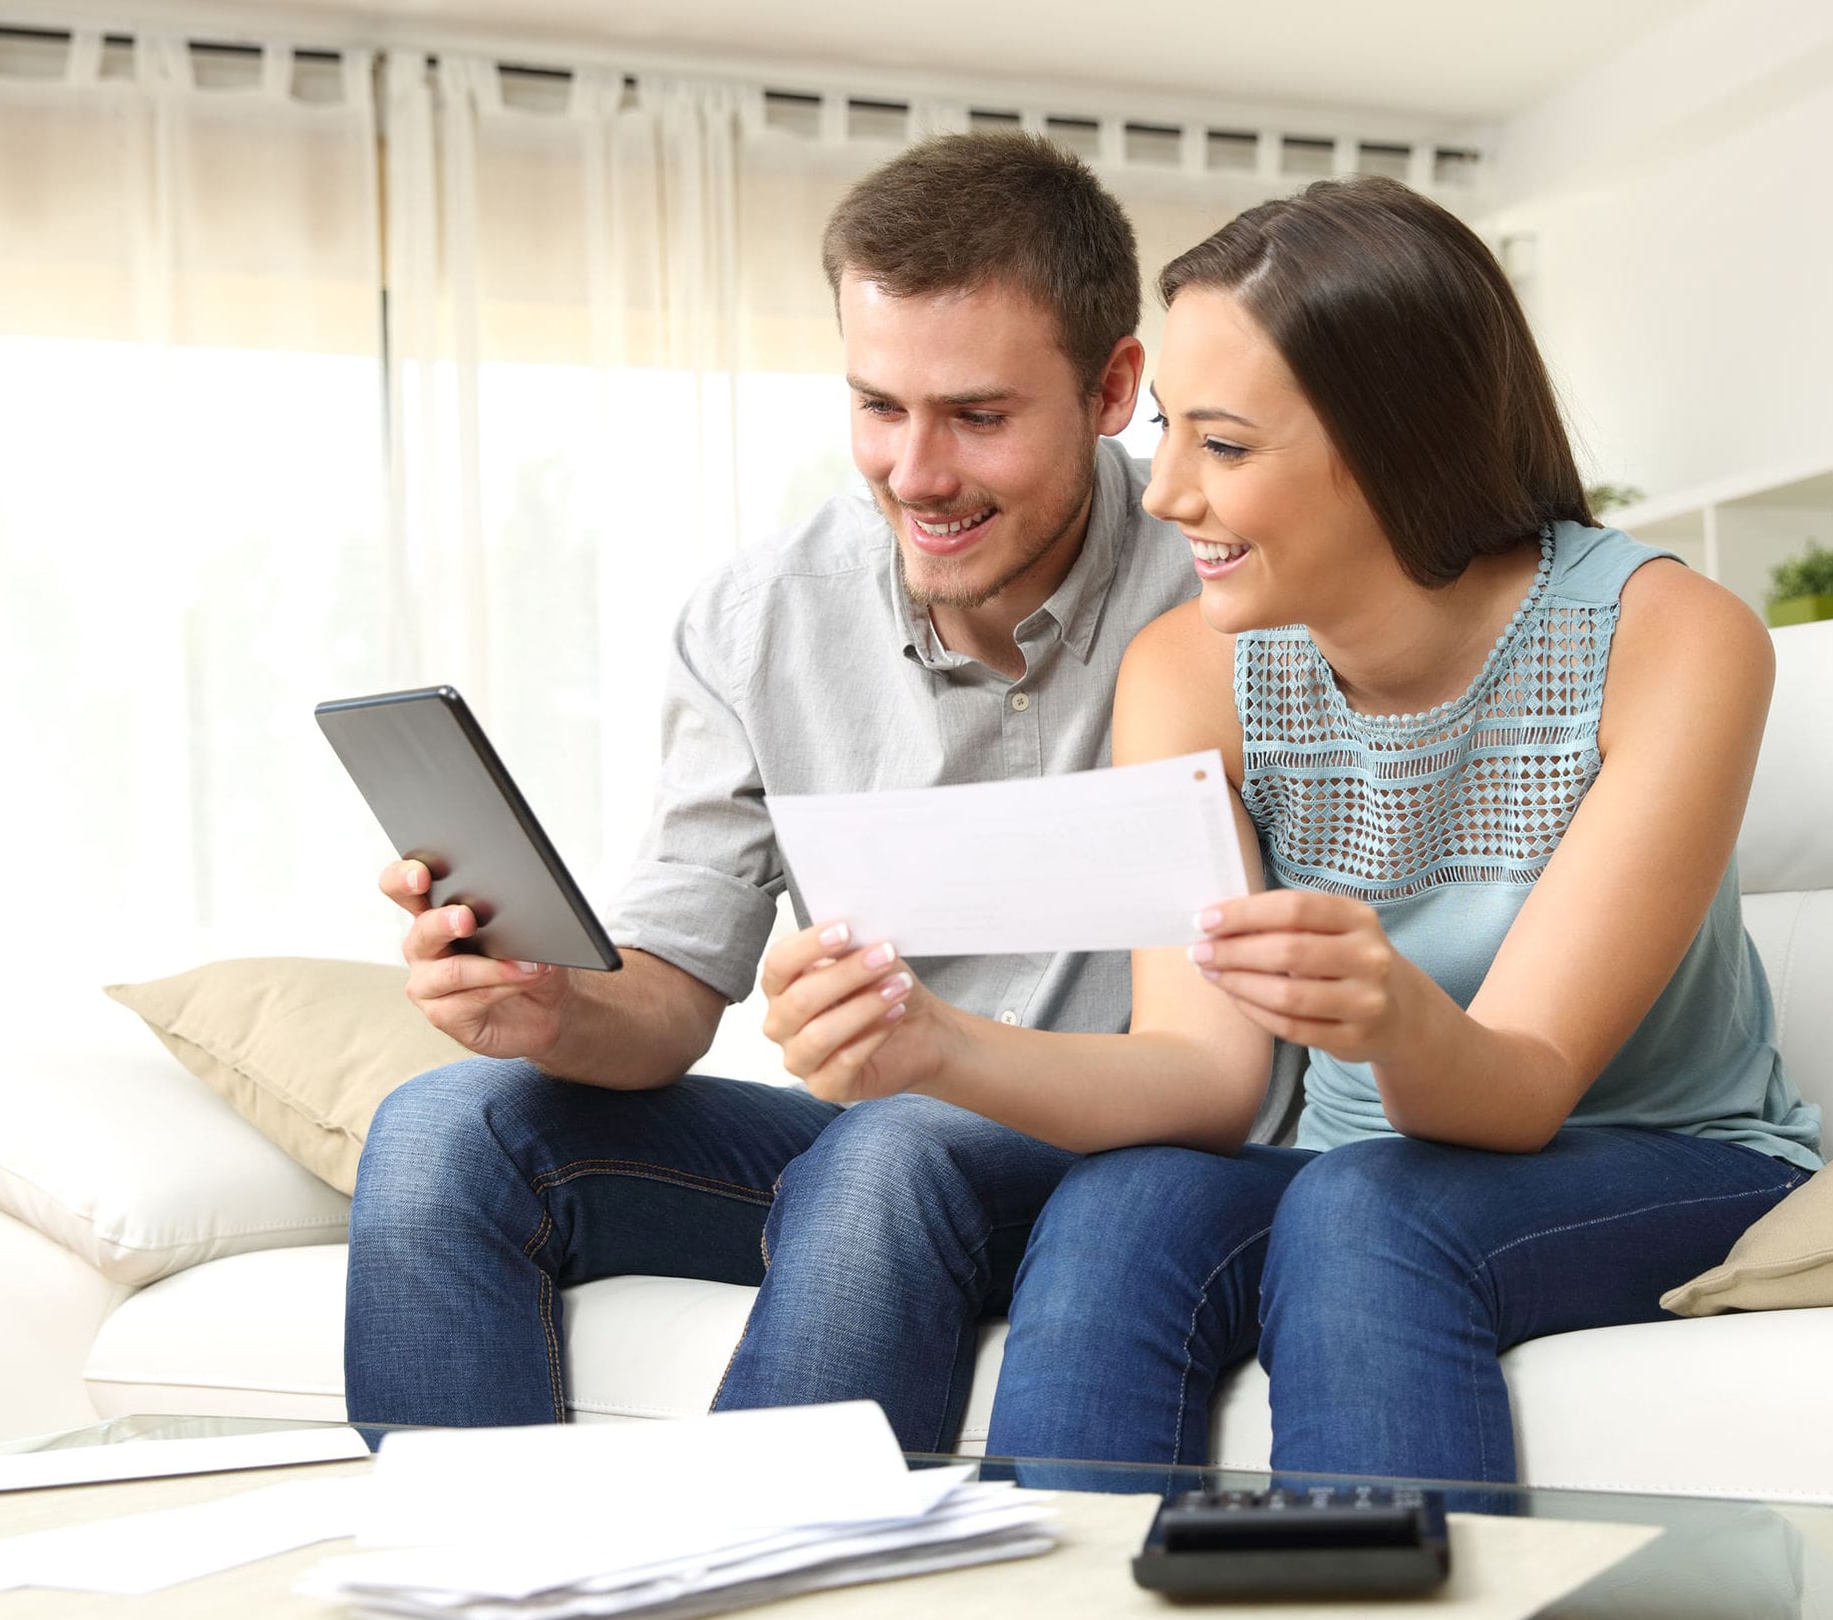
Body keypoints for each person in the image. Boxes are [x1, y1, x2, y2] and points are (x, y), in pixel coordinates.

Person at [768, 175, 1823, 1482]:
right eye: (1167, 433)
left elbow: (1525, 1085)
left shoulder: (1669, 640)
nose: (1160, 496)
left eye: (1222, 444)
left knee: (1368, 1207)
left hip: (1662, 1160)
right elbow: (1204, 1077)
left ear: (1396, 442)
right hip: (1353, 1174)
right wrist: (932, 1043)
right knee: (1123, 1209)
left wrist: (1390, 1018)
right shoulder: (1191, 672)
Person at [341, 132, 1278, 1448]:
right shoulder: (756, 618)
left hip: (1134, 1153)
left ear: (1117, 386)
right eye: (878, 407)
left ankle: (754, 1568)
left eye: (979, 416)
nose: (916, 470)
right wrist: (547, 1004)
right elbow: (666, 999)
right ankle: (465, 1578)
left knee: (892, 1141)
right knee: (446, 1127)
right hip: (875, 1160)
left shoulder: (1229, 582)